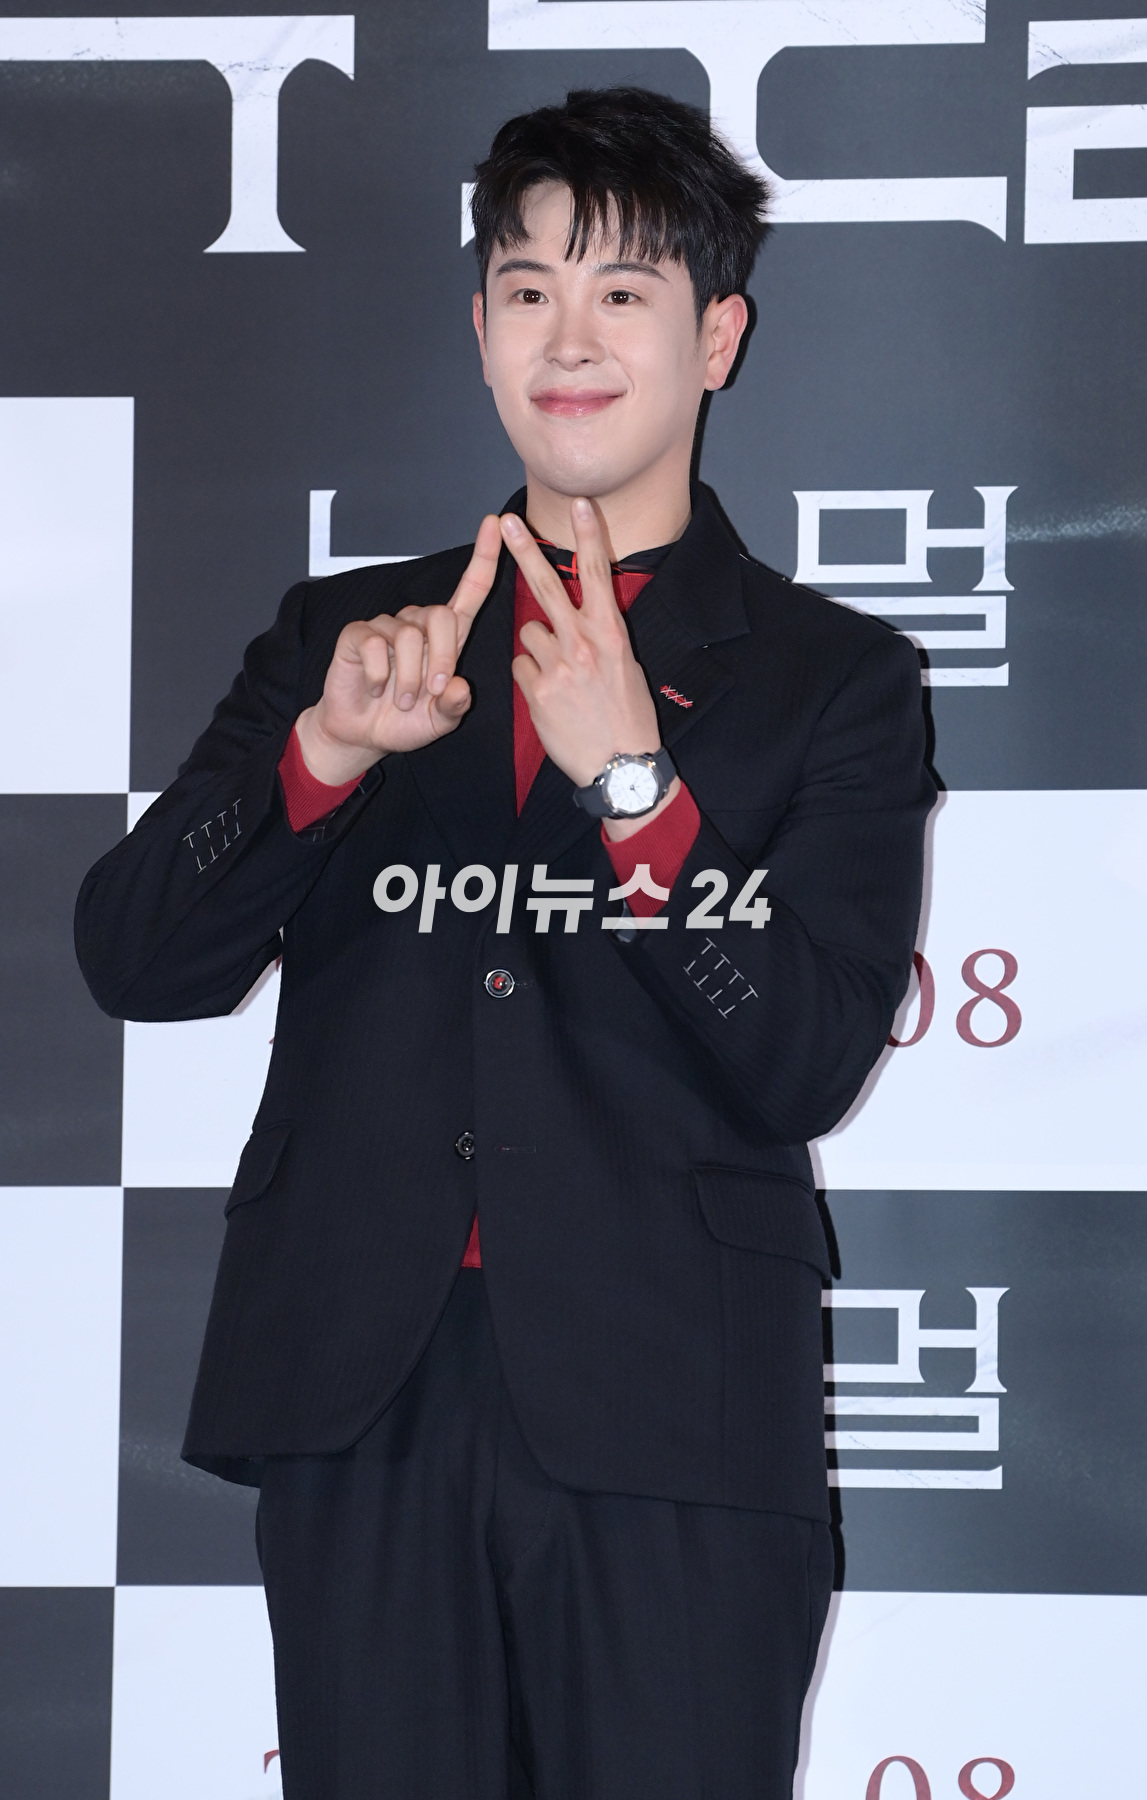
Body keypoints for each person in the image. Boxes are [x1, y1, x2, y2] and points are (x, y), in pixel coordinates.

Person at [76, 86, 934, 1800]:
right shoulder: (347, 637)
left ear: (718, 339)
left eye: (624, 291)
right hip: (365, 1395)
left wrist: (637, 788)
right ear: (480, 332)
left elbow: (807, 1056)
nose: (571, 337)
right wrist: (323, 759)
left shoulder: (833, 678)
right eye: (529, 288)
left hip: (676, 1402)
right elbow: (137, 960)